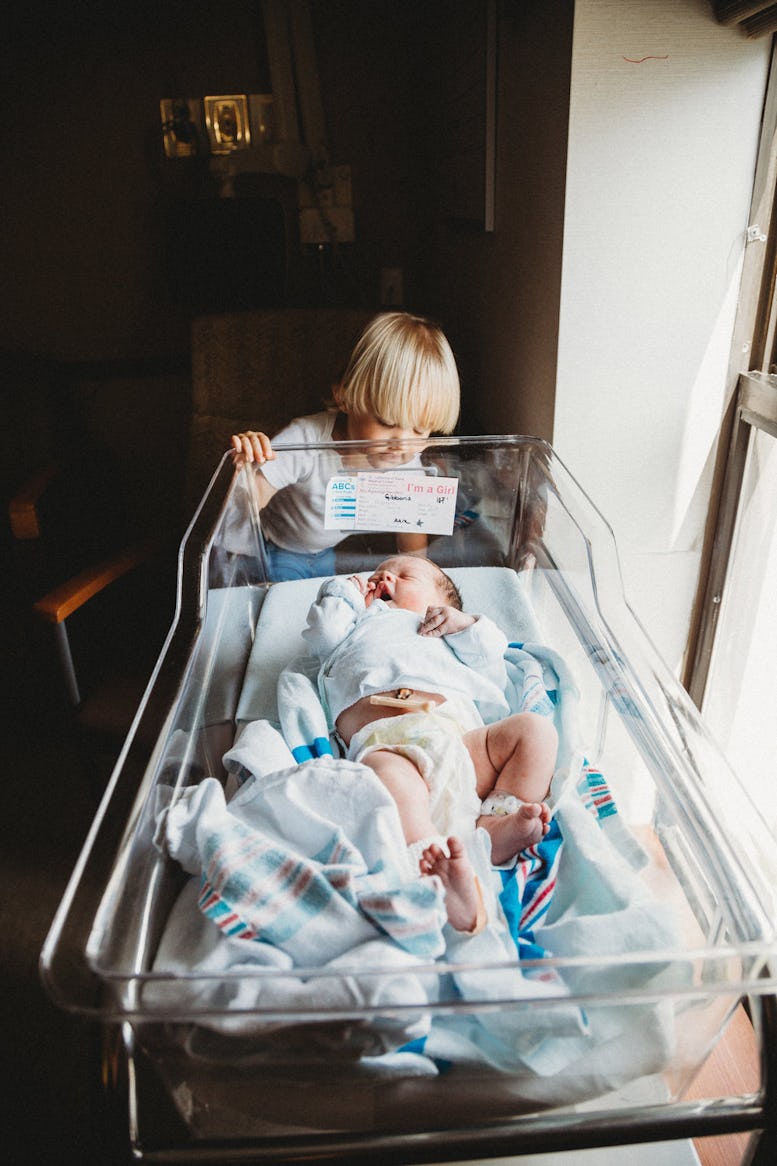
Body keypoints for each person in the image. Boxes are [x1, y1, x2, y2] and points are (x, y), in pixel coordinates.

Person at [293, 554, 558, 934]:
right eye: (378, 573)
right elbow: (323, 629)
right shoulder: (353, 626)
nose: (385, 576)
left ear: (443, 604)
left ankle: (496, 824)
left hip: (461, 741)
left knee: (535, 732)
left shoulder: (448, 633)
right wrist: (344, 593)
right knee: (394, 789)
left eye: (405, 575)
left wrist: (465, 624)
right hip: (389, 742)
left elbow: (492, 658)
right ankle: (436, 873)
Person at [230, 312, 460, 580]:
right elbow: (248, 498)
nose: (402, 443)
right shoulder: (305, 440)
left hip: (329, 551)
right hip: (278, 548)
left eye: (420, 429)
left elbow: (412, 529)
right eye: (387, 421)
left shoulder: (406, 460)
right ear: (345, 396)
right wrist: (247, 464)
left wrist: (419, 577)